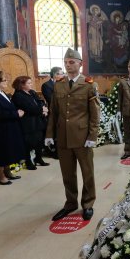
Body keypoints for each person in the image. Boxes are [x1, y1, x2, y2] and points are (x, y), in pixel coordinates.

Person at [45, 48, 100, 221]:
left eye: (72, 62)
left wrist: (92, 136)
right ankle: (70, 203)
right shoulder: (59, 84)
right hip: (63, 137)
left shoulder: (89, 84)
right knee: (67, 174)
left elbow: (95, 114)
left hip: (83, 137)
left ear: (80, 64)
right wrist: (49, 134)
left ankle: (88, 203)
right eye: (66, 62)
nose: (68, 65)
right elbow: (54, 112)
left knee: (87, 172)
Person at [0, 71, 25, 185]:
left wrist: (16, 112)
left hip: (10, 126)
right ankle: (0, 175)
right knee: (2, 151)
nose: (7, 82)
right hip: (2, 127)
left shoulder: (2, 92)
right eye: (4, 80)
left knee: (9, 150)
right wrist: (16, 114)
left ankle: (7, 171)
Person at [12, 76, 50, 170]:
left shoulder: (32, 92)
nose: (31, 84)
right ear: (21, 85)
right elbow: (29, 108)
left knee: (39, 141)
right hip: (28, 122)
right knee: (29, 143)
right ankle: (28, 162)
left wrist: (43, 108)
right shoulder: (18, 95)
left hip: (38, 121)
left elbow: (40, 102)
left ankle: (39, 158)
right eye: (28, 83)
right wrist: (42, 110)